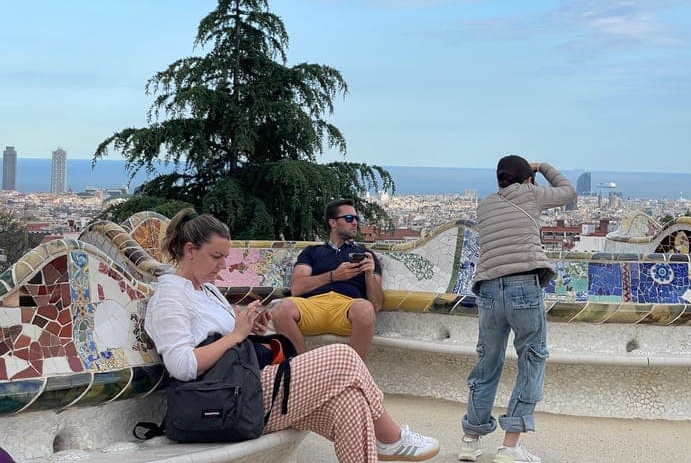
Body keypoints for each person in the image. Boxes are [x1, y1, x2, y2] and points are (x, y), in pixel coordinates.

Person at [145, 208, 439, 463]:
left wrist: (248, 326)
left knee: (350, 402)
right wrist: (235, 336)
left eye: (225, 257)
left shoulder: (204, 289)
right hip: (226, 398)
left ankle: (385, 442)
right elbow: (182, 366)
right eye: (217, 257)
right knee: (343, 357)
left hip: (247, 385)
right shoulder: (170, 297)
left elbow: (226, 337)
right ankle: (392, 436)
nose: (223, 267)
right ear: (190, 250)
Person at [459, 156, 576, 463]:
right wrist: (543, 167)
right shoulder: (531, 193)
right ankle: (510, 447)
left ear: (498, 179)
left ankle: (470, 441)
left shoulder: (484, 204)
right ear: (526, 180)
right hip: (523, 286)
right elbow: (567, 191)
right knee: (531, 359)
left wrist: (527, 178)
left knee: (487, 364)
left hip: (487, 289)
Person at [269, 198, 382, 359]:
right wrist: (333, 276)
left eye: (356, 218)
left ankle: (351, 374)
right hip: (313, 305)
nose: (355, 223)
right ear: (333, 223)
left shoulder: (365, 255)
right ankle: (303, 367)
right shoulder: (312, 252)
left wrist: (369, 274)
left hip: (348, 307)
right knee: (281, 309)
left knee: (365, 309)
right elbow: (297, 288)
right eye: (349, 218)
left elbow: (376, 304)